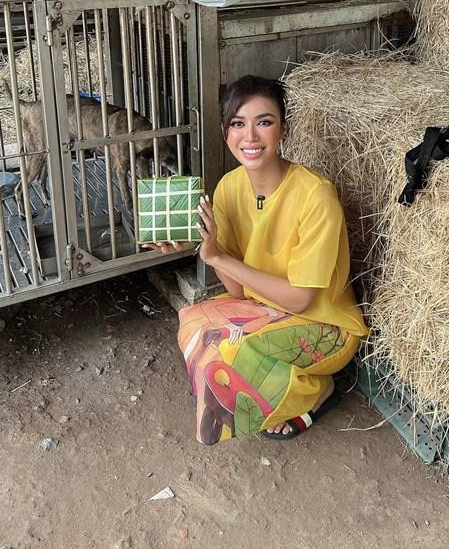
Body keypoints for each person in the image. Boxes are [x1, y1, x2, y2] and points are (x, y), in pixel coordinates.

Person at [150, 75, 368, 445]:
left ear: (284, 129)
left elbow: (302, 299)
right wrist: (207, 247)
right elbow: (237, 290)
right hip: (265, 308)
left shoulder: (316, 195)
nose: (250, 136)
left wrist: (218, 255)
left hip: (326, 325)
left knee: (230, 351)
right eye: (238, 124)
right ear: (226, 132)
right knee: (194, 323)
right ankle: (286, 388)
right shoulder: (229, 187)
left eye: (264, 122)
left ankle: (315, 391)